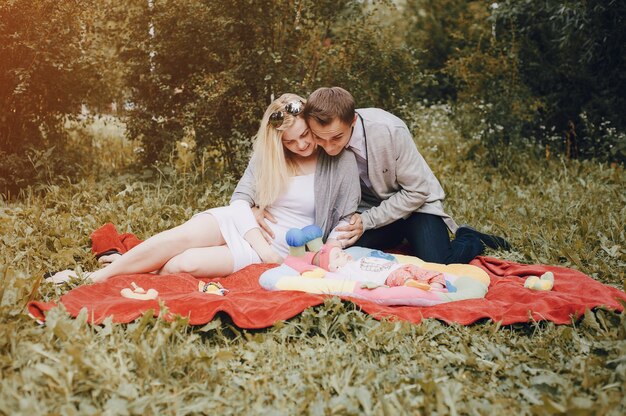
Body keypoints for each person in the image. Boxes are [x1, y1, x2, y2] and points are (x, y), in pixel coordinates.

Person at [47, 93, 360, 284]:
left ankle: (127, 264)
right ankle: (91, 278)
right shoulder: (271, 156)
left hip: (278, 249)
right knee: (180, 237)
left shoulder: (335, 159)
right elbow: (240, 202)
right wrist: (255, 232)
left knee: (185, 264)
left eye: (306, 135)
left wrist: (325, 254)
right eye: (290, 141)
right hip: (246, 229)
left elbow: (344, 219)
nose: (302, 145)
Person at [302, 86, 510, 265]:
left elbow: (418, 191)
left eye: (337, 137)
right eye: (320, 138)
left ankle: (470, 237)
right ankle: (400, 237)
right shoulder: (313, 138)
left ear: (353, 120)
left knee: (439, 262)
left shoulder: (390, 130)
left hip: (416, 206)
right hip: (372, 209)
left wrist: (367, 221)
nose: (328, 147)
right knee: (343, 252)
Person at [310, 243, 447, 291]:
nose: (343, 254)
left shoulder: (358, 261)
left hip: (399, 267)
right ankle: (412, 285)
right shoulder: (344, 272)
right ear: (332, 267)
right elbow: (349, 282)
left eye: (341, 252)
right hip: (388, 276)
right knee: (402, 277)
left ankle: (436, 284)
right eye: (337, 256)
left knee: (426, 272)